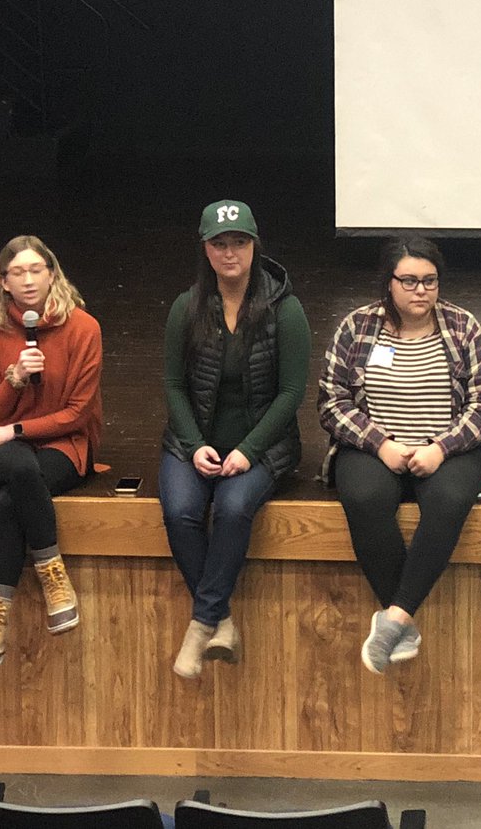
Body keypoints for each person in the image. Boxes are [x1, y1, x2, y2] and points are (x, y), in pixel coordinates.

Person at [318, 236, 481, 675]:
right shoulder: (357, 328)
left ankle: (394, 618)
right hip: (375, 447)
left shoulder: (465, 327)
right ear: (388, 283)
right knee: (365, 498)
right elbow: (332, 401)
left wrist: (440, 449)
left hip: (448, 448)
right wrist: (381, 444)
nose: (420, 290)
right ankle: (403, 625)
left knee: (449, 501)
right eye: (408, 281)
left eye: (429, 281)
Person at [160, 200, 310, 679]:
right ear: (205, 250)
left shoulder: (285, 309)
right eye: (220, 244)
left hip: (264, 446)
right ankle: (222, 619)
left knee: (231, 507)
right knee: (181, 510)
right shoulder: (187, 307)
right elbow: (174, 385)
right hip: (197, 441)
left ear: (254, 246)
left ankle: (201, 624)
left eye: (239, 243)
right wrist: (192, 443)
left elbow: (291, 393)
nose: (230, 253)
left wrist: (248, 451)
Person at [0, 236, 103, 670]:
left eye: (36, 270)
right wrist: (17, 379)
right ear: (2, 282)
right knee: (20, 468)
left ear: (52, 274)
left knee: (13, 496)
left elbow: (78, 415)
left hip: (64, 442)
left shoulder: (83, 327)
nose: (27, 281)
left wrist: (15, 430)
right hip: (6, 441)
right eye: (17, 273)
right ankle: (52, 570)